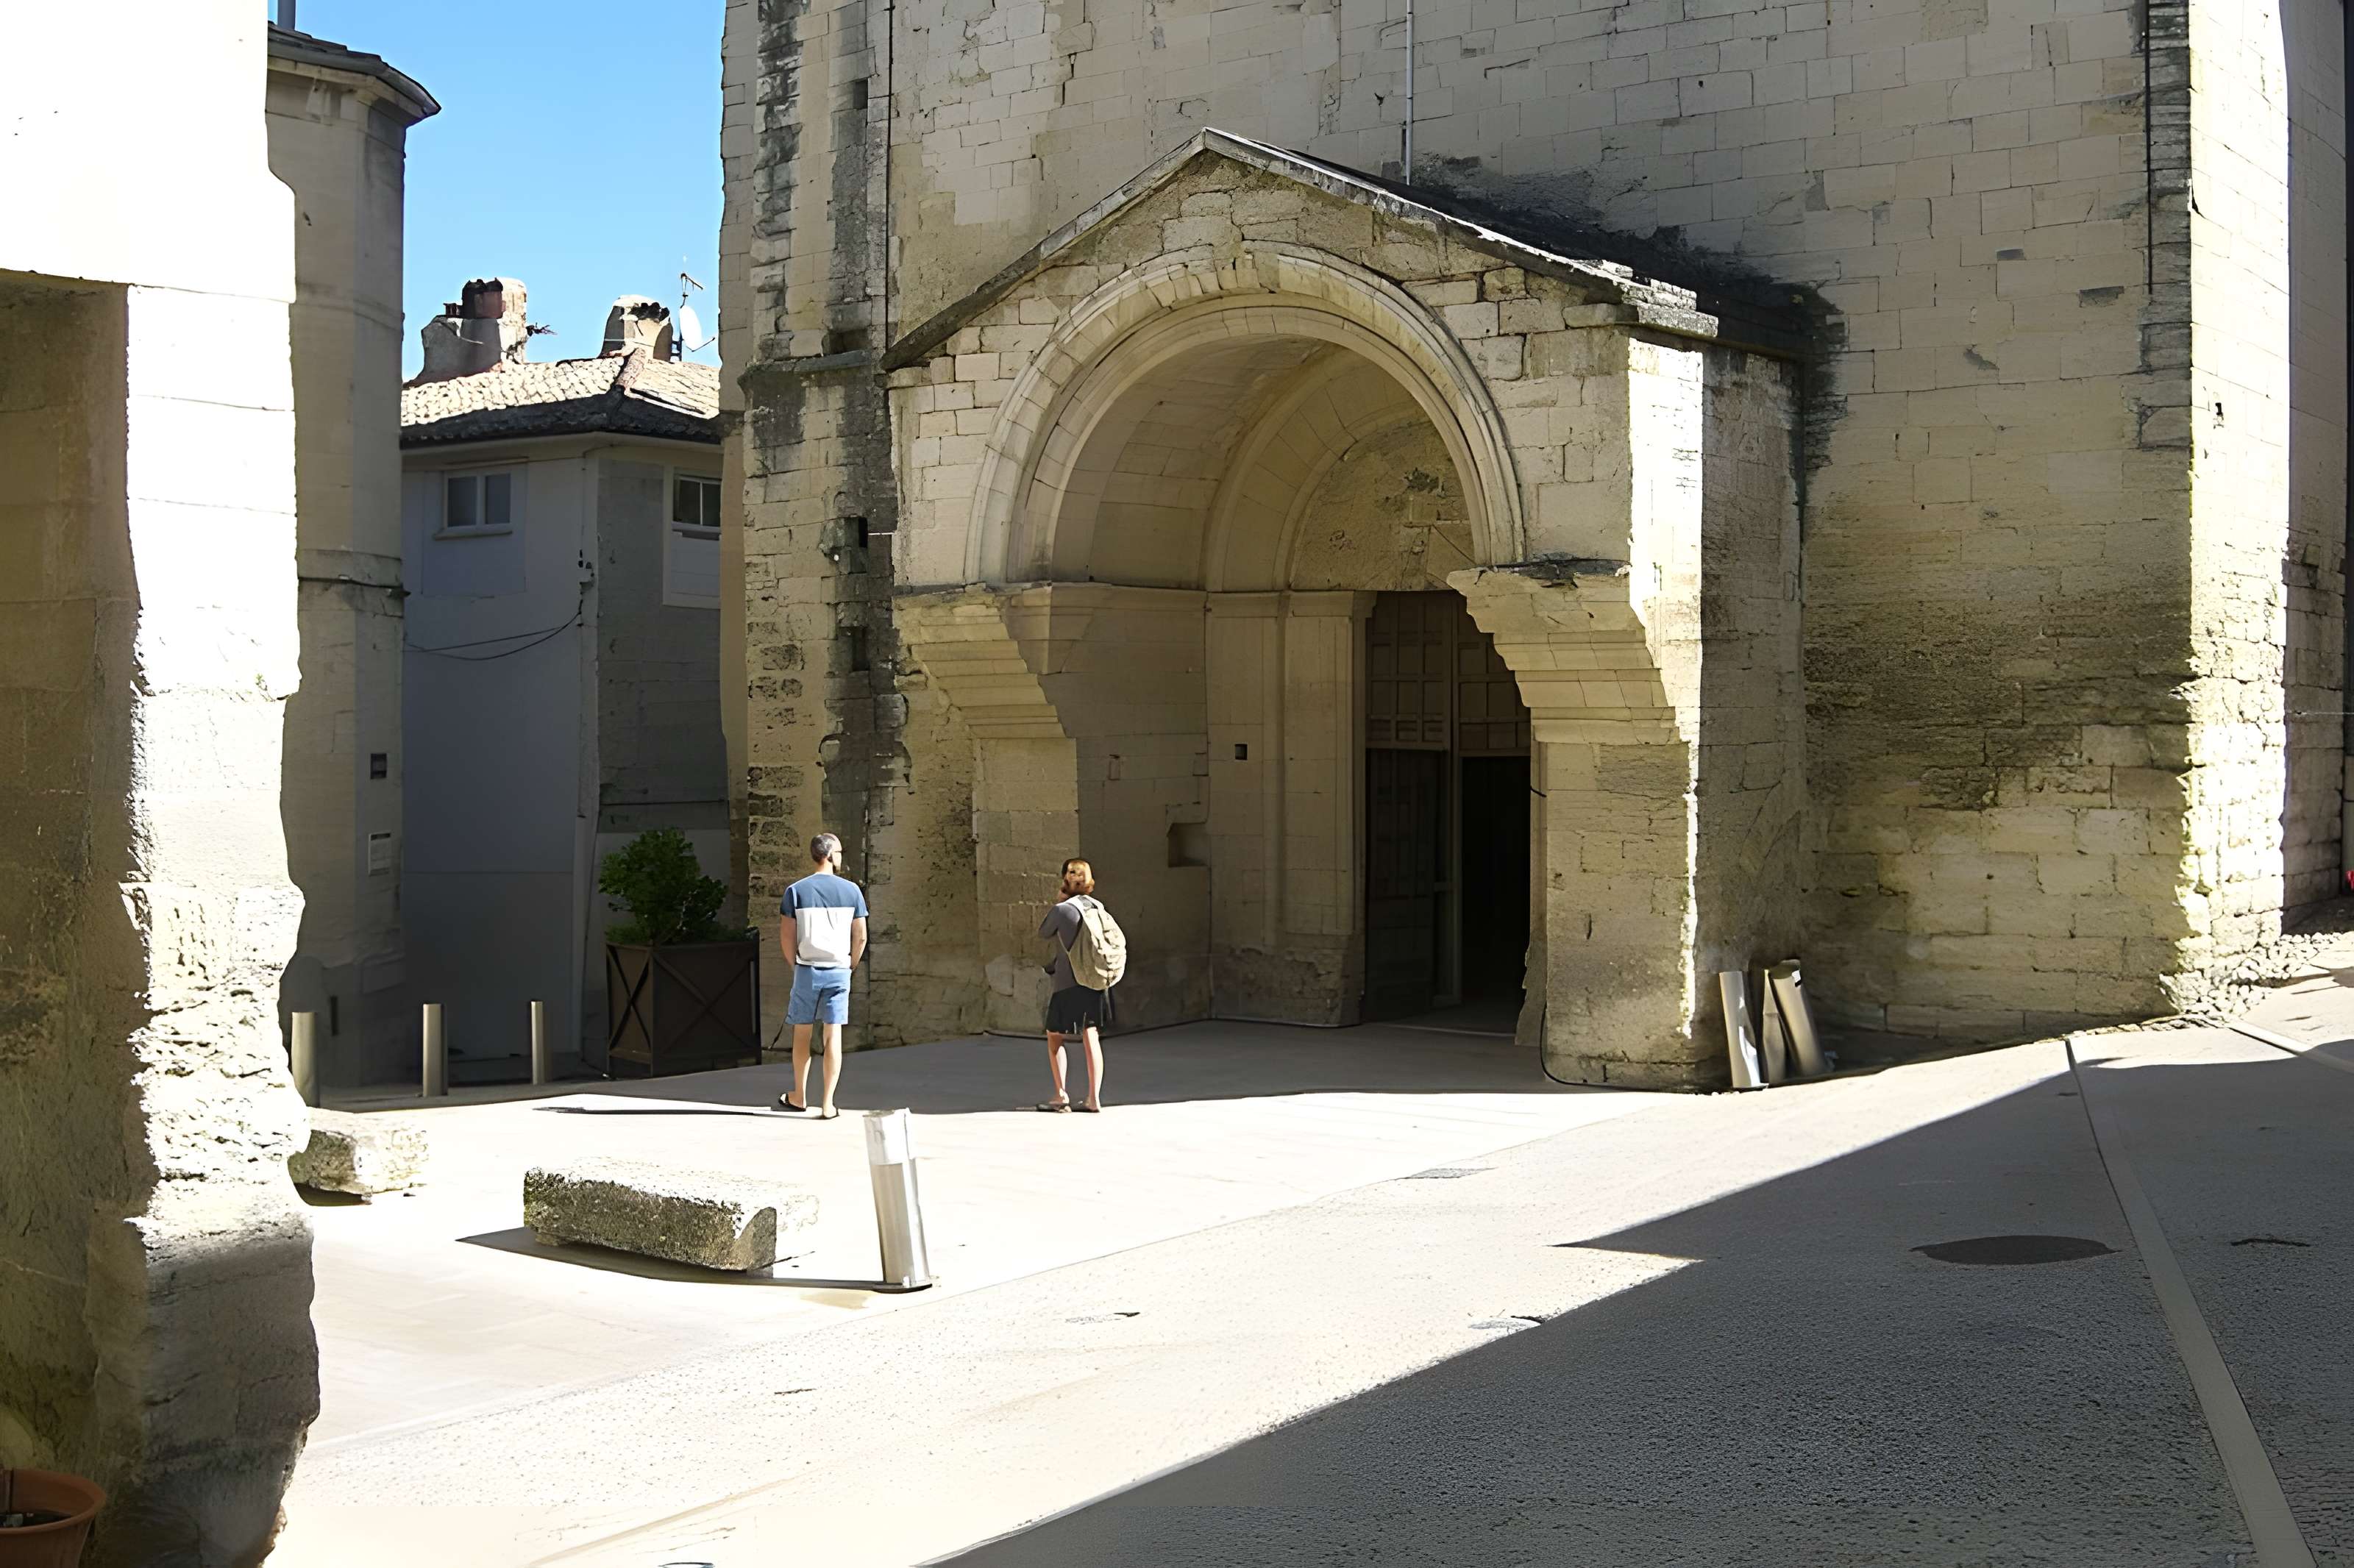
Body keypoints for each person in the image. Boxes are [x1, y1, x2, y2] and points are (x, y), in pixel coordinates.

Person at [778, 833, 867, 1119]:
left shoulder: (795, 891)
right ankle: (828, 1104)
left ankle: (799, 1096)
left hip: (807, 968)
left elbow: (786, 936)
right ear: (830, 855)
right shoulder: (852, 890)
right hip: (839, 969)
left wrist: (796, 966)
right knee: (833, 1035)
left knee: (802, 1032)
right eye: (839, 851)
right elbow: (861, 936)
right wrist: (851, 964)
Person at [1036, 857, 1112, 1113]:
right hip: (1094, 980)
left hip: (1068, 982)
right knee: (1091, 1034)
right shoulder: (1097, 907)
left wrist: (1059, 901)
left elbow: (1044, 932)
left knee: (1055, 1036)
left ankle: (1060, 1095)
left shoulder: (1064, 910)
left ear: (1065, 880)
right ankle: (1094, 1098)